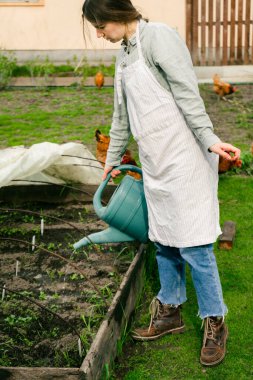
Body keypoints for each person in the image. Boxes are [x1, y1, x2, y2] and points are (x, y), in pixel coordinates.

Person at [82, 0, 240, 367]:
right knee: (164, 239)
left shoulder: (159, 38)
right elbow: (120, 116)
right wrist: (111, 162)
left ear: (115, 14)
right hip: (156, 164)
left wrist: (210, 139)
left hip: (185, 158)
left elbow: (187, 93)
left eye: (99, 24)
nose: (98, 33)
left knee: (195, 245)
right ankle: (170, 310)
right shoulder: (123, 55)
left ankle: (215, 320)